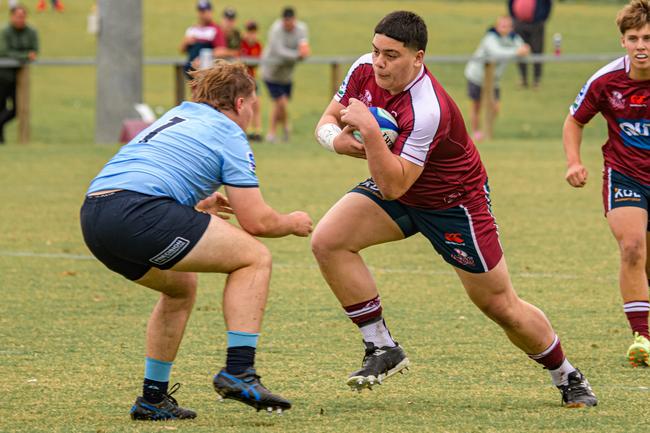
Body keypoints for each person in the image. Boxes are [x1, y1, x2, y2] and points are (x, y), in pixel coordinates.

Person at [312, 10, 596, 408]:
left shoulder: (428, 108)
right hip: (405, 188)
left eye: (391, 55)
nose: (379, 62)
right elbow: (326, 121)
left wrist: (372, 133)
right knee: (328, 241)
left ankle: (567, 375)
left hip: (453, 202)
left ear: (418, 57)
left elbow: (394, 185)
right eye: (376, 51)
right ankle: (381, 347)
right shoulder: (363, 68)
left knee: (500, 306)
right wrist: (336, 141)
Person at [80, 60, 313, 421]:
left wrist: (195, 203)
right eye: (253, 105)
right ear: (239, 104)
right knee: (254, 257)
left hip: (96, 215)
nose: (252, 113)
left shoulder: (179, 115)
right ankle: (239, 370)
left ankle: (152, 399)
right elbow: (256, 221)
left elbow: (157, 167)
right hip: (139, 211)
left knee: (179, 289)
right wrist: (292, 222)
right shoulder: (229, 132)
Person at [563, 0, 650, 368]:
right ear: (623, 42)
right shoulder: (606, 80)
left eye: (647, 37)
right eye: (633, 38)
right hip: (625, 173)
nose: (641, 45)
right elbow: (574, 121)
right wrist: (574, 162)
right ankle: (642, 336)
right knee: (632, 247)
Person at [464, 16, 530, 142]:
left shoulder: (514, 38)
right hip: (476, 76)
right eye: (502, 26)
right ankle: (475, 132)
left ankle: (486, 130)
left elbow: (523, 49)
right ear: (497, 27)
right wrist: (517, 51)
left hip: (494, 80)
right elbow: (497, 52)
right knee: (476, 106)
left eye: (508, 26)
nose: (505, 29)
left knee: (495, 107)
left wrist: (524, 50)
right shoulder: (490, 38)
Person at [261, 6, 310, 143]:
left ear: (294, 20)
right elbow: (278, 51)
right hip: (271, 71)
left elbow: (304, 45)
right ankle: (282, 129)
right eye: (285, 21)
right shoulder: (275, 29)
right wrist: (298, 55)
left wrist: (304, 52)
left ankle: (279, 132)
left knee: (279, 104)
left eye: (290, 21)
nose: (287, 24)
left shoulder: (302, 29)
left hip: (287, 74)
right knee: (280, 102)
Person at [0, 4, 37, 144]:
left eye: (23, 16)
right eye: (18, 16)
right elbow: (4, 52)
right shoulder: (4, 32)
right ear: (12, 17)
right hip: (1, 76)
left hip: (16, 77)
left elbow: (35, 50)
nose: (21, 19)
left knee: (16, 109)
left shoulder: (31, 32)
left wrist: (26, 56)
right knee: (1, 107)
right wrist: (25, 55)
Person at [508, 0, 552, 88]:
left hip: (536, 24)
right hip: (519, 23)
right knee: (520, 51)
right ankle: (523, 78)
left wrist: (542, 18)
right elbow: (510, 3)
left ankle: (536, 80)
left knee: (537, 51)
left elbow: (548, 4)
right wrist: (513, 17)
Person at [179, 0, 220, 77]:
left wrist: (204, 58)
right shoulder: (192, 29)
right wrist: (186, 42)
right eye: (201, 11)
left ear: (211, 12)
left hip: (207, 72)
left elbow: (221, 50)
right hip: (191, 71)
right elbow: (181, 49)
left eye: (205, 11)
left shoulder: (215, 29)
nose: (203, 14)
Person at [240, 20, 263, 142]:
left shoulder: (257, 45)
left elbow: (256, 62)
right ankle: (246, 129)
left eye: (253, 32)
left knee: (256, 104)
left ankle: (257, 130)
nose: (251, 35)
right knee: (244, 104)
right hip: (242, 78)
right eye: (249, 32)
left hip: (252, 79)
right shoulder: (241, 44)